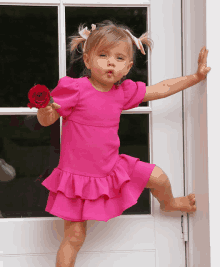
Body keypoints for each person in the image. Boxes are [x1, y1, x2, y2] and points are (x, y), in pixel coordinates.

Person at [36, 20, 211, 267]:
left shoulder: (122, 92)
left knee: (158, 177)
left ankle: (170, 203)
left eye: (119, 58)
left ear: (127, 67)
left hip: (111, 168)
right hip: (76, 178)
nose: (110, 62)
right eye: (103, 55)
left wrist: (195, 77)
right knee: (74, 237)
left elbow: (160, 89)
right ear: (87, 60)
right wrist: (45, 110)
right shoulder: (75, 88)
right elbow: (48, 120)